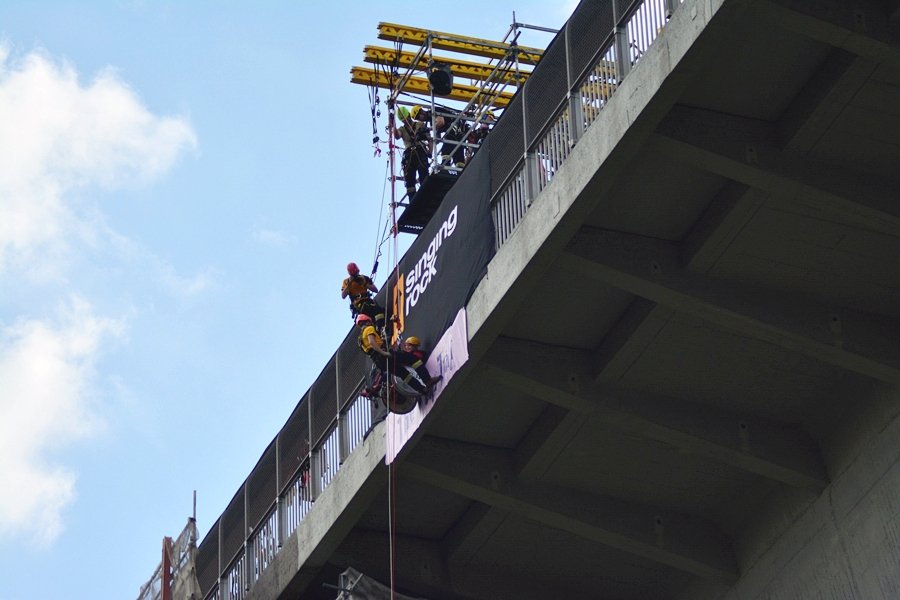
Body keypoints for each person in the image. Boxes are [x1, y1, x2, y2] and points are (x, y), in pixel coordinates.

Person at [356, 316, 438, 395]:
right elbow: (372, 342)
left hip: (380, 362)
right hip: (384, 355)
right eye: (370, 322)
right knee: (412, 359)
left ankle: (422, 390)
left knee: (404, 375)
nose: (371, 323)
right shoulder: (368, 329)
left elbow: (370, 349)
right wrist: (383, 352)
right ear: (367, 322)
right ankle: (428, 381)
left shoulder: (360, 339)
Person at [394, 105, 430, 199]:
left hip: (420, 151)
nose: (405, 121)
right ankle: (413, 201)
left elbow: (429, 139)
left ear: (409, 115)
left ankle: (426, 196)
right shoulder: (402, 129)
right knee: (410, 181)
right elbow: (397, 135)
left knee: (423, 175)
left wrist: (430, 151)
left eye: (406, 118)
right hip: (409, 154)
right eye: (403, 120)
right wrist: (392, 123)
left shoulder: (420, 125)